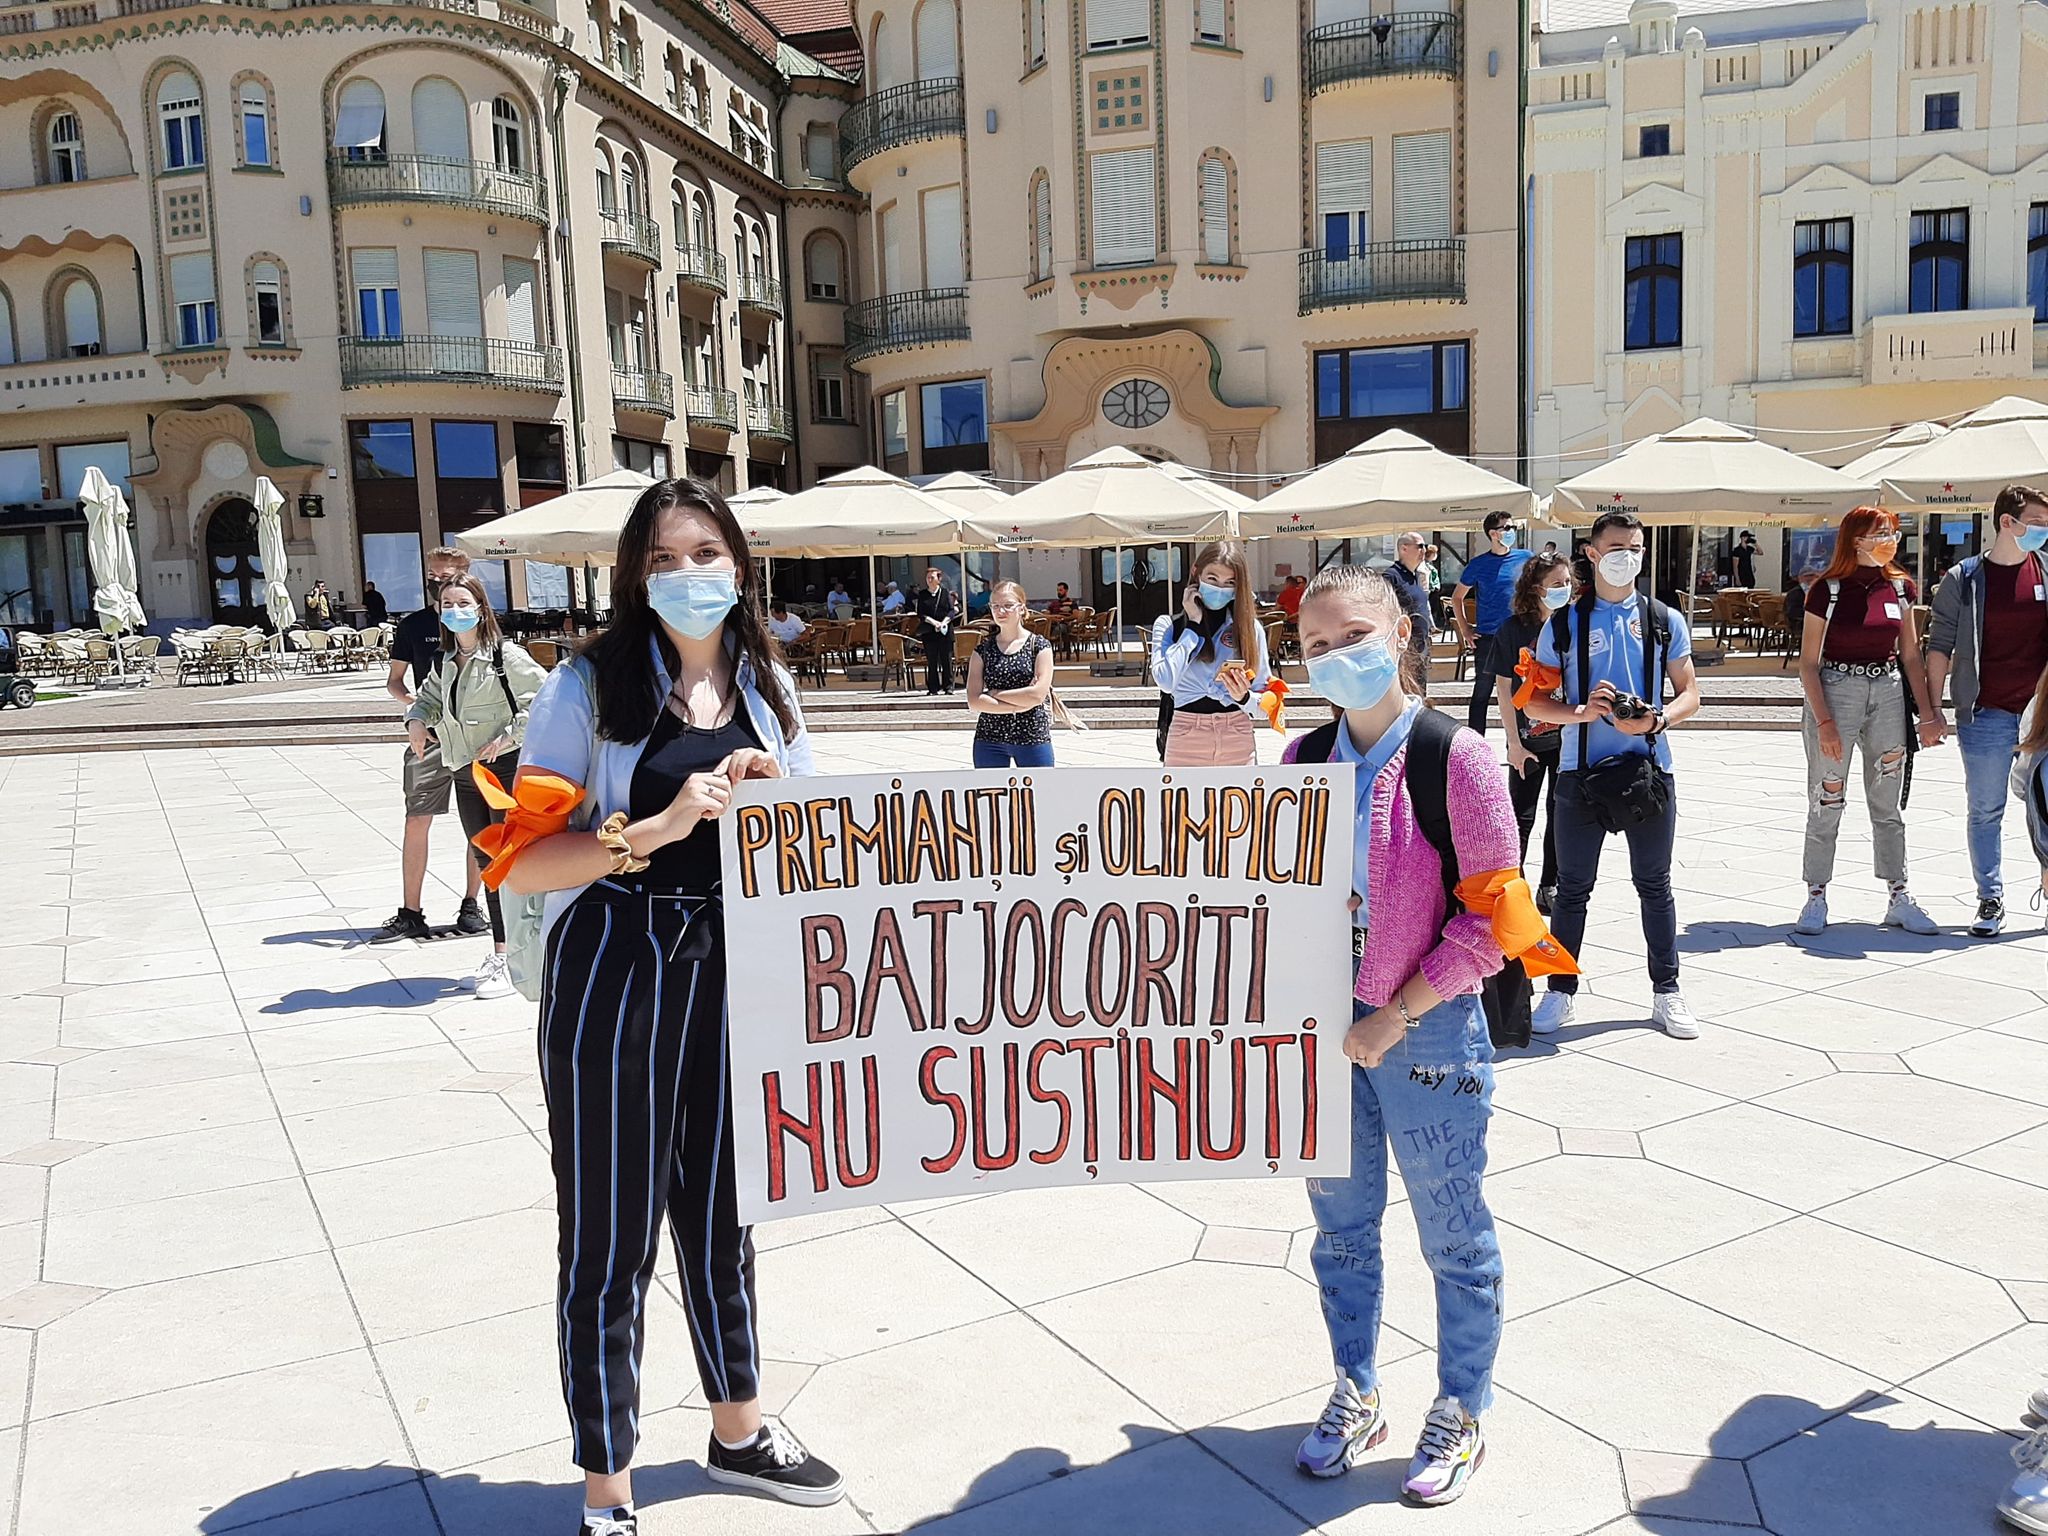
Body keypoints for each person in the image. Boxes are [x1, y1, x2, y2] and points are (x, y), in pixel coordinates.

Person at [502, 478, 842, 1534]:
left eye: (705, 553)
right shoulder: (587, 687)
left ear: (738, 564)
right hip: (617, 963)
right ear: (634, 577)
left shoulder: (769, 687)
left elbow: (821, 838)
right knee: (610, 1233)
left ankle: (737, 1430)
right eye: (662, 559)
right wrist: (652, 827)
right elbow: (520, 862)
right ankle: (607, 1489)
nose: (688, 574)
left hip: (736, 963)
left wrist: (779, 804)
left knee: (725, 1213)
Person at [1279, 564, 1525, 1506]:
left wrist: (1397, 1013)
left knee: (1454, 1233)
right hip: (1323, 1033)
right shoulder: (1301, 761)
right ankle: (1356, 1387)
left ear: (1400, 634)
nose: (1335, 656)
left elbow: (1494, 920)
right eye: (1315, 645)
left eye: (1353, 636)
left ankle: (1463, 1404)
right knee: (1340, 1232)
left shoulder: (1455, 758)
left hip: (1426, 1035)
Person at [1525, 511, 1704, 1039]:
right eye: (1618, 548)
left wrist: (1657, 719)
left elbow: (1691, 693)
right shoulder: (1563, 624)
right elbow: (1534, 702)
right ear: (1592, 553)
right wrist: (1580, 712)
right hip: (1579, 774)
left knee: (1655, 885)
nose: (1628, 557)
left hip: (1649, 769)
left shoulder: (1663, 618)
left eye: (1636, 548)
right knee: (1571, 889)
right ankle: (1560, 991)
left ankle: (1667, 989)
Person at [1792, 507, 1943, 937]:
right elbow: (1808, 663)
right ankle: (1816, 894)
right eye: (1881, 533)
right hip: (1837, 689)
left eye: (1892, 532)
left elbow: (1910, 654)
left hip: (1888, 690)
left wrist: (1928, 714)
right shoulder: (1827, 590)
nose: (1890, 540)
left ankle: (1899, 894)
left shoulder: (1899, 587)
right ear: (1856, 539)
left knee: (1887, 800)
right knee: (1827, 795)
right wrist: (1824, 721)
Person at [403, 574, 546, 998]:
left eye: (463, 602)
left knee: (511, 862)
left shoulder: (506, 656)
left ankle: (522, 955)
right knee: (488, 864)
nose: (455, 610)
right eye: (447, 603)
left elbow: (544, 699)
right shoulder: (446, 660)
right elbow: (428, 699)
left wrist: (507, 737)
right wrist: (416, 719)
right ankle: (503, 953)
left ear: (481, 609)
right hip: (465, 772)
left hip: (503, 772)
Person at [1928, 484, 2048, 937]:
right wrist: (1933, 709)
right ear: (2006, 522)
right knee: (1985, 809)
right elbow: (1939, 646)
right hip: (1986, 711)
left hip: (2042, 712)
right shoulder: (1965, 579)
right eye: (2036, 523)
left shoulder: (2046, 569)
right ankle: (1990, 897)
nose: (2043, 531)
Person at [373, 547, 488, 943]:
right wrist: (417, 710)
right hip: (432, 738)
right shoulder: (414, 625)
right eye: (433, 577)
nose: (438, 584)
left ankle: (472, 904)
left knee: (479, 823)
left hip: (474, 739)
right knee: (417, 818)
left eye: (446, 576)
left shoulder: (483, 624)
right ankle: (411, 911)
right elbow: (395, 681)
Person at [1492, 551, 1573, 913]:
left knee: (1561, 815)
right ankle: (1514, 888)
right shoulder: (1514, 629)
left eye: (1568, 582)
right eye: (1556, 583)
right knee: (1520, 817)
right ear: (1536, 588)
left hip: (1568, 738)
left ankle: (1549, 885)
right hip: (1529, 740)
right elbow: (1503, 687)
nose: (1564, 589)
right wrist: (1513, 742)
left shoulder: (1574, 625)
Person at [1151, 540, 1270, 767]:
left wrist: (1244, 697)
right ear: (1196, 573)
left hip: (1237, 733)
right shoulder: (1168, 626)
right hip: (1186, 735)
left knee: (1239, 792)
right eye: (1212, 579)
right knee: (1181, 792)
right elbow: (1165, 681)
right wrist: (1192, 625)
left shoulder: (1249, 629)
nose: (1220, 589)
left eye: (1230, 583)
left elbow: (1266, 704)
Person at [1452, 513, 1533, 734]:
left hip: (1519, 634)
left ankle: (1518, 739)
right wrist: (1465, 629)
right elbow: (1457, 597)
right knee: (1482, 691)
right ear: (1493, 534)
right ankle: (1476, 742)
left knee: (1520, 689)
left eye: (1513, 527)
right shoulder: (1478, 564)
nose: (1512, 531)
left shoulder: (1526, 558)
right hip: (1489, 637)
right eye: (1507, 528)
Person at [967, 580, 1055, 768]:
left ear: (1021, 608)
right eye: (995, 606)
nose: (1001, 611)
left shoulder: (1039, 646)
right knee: (990, 787)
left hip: (1032, 735)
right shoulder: (983, 650)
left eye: (1008, 605)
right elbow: (974, 701)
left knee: (1040, 786)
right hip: (989, 738)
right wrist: (1019, 706)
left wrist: (995, 694)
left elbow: (1037, 695)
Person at [1384, 533, 1434, 668]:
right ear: (1404, 549)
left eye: (1425, 546)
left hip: (1420, 649)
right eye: (1420, 546)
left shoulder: (1414, 576)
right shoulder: (1391, 577)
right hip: (1404, 652)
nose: (1424, 551)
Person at [914, 566, 960, 695]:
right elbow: (921, 613)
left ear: (939, 579)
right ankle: (933, 688)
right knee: (932, 660)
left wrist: (943, 622)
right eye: (928, 578)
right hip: (930, 632)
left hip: (945, 631)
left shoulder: (945, 593)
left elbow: (951, 611)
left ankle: (948, 686)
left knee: (946, 659)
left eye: (932, 577)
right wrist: (933, 623)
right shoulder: (923, 595)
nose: (929, 580)